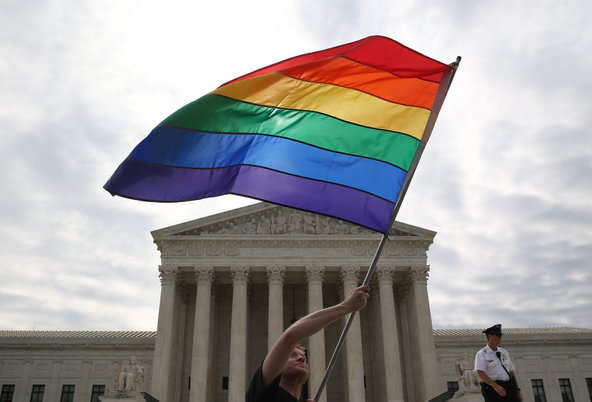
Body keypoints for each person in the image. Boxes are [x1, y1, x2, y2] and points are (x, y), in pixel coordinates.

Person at [245, 284, 370, 402]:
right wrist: (346, 307)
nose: (301, 358)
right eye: (291, 355)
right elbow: (290, 336)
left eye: (304, 357)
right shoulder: (262, 393)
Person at [474, 324, 522, 401]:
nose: (500, 338)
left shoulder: (504, 352)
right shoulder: (482, 354)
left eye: (500, 335)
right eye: (497, 335)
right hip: (492, 390)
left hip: (508, 388)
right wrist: (496, 386)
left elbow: (511, 372)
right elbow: (480, 373)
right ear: (490, 336)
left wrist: (517, 391)